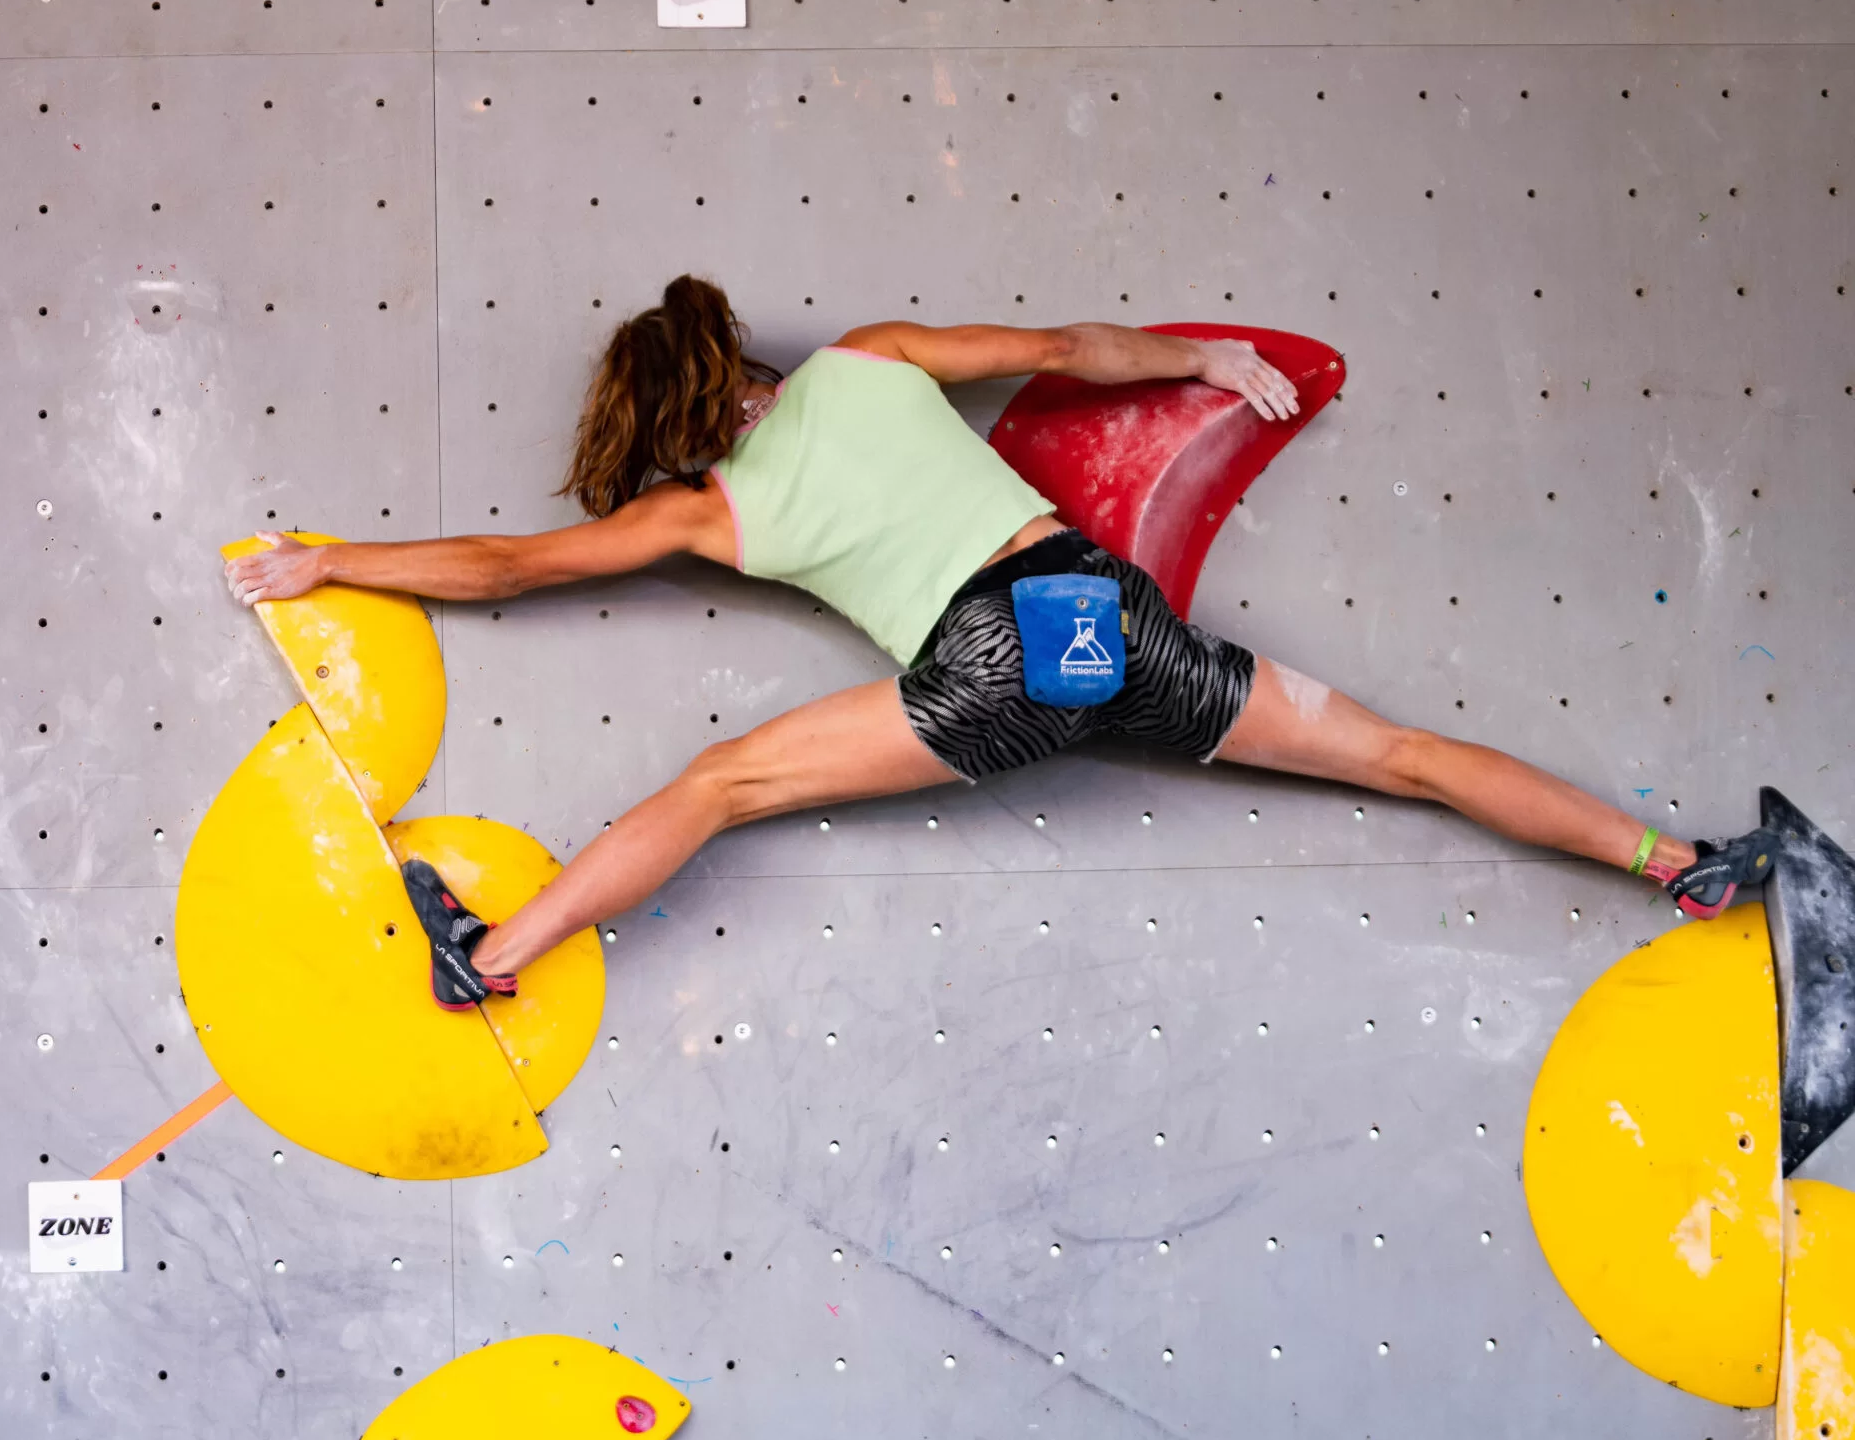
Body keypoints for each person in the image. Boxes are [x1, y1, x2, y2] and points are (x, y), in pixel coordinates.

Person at [223, 275, 1775, 1007]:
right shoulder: (872, 359)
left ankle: (491, 957)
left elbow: (508, 566)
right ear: (738, 353)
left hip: (993, 661)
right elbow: (1061, 346)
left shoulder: (707, 514)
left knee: (719, 785)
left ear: (672, 420)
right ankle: (1682, 866)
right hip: (1097, 616)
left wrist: (335, 561)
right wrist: (1207, 357)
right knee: (1406, 758)